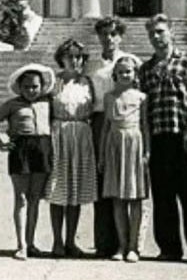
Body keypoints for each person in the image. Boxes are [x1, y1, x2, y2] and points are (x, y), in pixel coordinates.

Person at [139, 14, 187, 267]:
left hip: (185, 136)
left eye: (160, 31)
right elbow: (144, 108)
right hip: (159, 138)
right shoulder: (145, 69)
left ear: (172, 32)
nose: (156, 37)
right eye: (152, 33)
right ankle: (169, 248)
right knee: (163, 196)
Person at [0, 63, 55, 261]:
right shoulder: (12, 104)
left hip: (42, 149)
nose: (31, 91)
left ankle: (31, 243)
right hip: (21, 151)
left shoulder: (47, 103)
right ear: (19, 87)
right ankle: (21, 245)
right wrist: (0, 143)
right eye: (26, 87)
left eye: (35, 86)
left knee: (35, 198)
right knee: (21, 198)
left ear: (42, 86)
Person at [87, 16, 142, 257]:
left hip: (126, 123)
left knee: (127, 182)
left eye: (113, 34)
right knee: (103, 180)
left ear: (120, 36)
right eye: (103, 34)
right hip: (100, 120)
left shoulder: (131, 61)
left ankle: (130, 243)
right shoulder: (92, 65)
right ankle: (104, 242)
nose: (108, 38)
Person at [45, 38, 97, 258]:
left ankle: (70, 241)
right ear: (61, 58)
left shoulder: (87, 83)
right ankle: (57, 241)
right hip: (59, 135)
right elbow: (45, 111)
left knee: (75, 191)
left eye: (79, 57)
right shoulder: (53, 82)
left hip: (81, 136)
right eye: (70, 56)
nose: (75, 61)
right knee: (58, 189)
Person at [98, 56, 150, 263]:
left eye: (128, 71)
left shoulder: (141, 97)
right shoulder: (109, 97)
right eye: (120, 72)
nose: (124, 75)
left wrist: (147, 152)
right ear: (115, 75)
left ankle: (133, 247)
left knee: (135, 197)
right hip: (114, 145)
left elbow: (145, 126)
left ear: (135, 74)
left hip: (134, 144)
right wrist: (102, 155)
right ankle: (121, 244)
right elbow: (105, 127)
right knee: (118, 198)